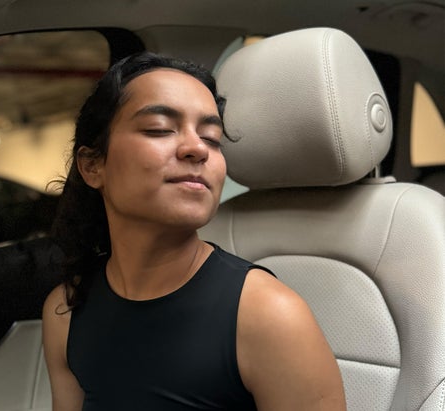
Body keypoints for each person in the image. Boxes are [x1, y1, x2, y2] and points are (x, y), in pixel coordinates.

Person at [42, 52, 346, 410]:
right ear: (93, 166)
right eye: (159, 129)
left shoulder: (269, 315)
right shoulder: (66, 310)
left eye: (212, 138)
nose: (197, 149)